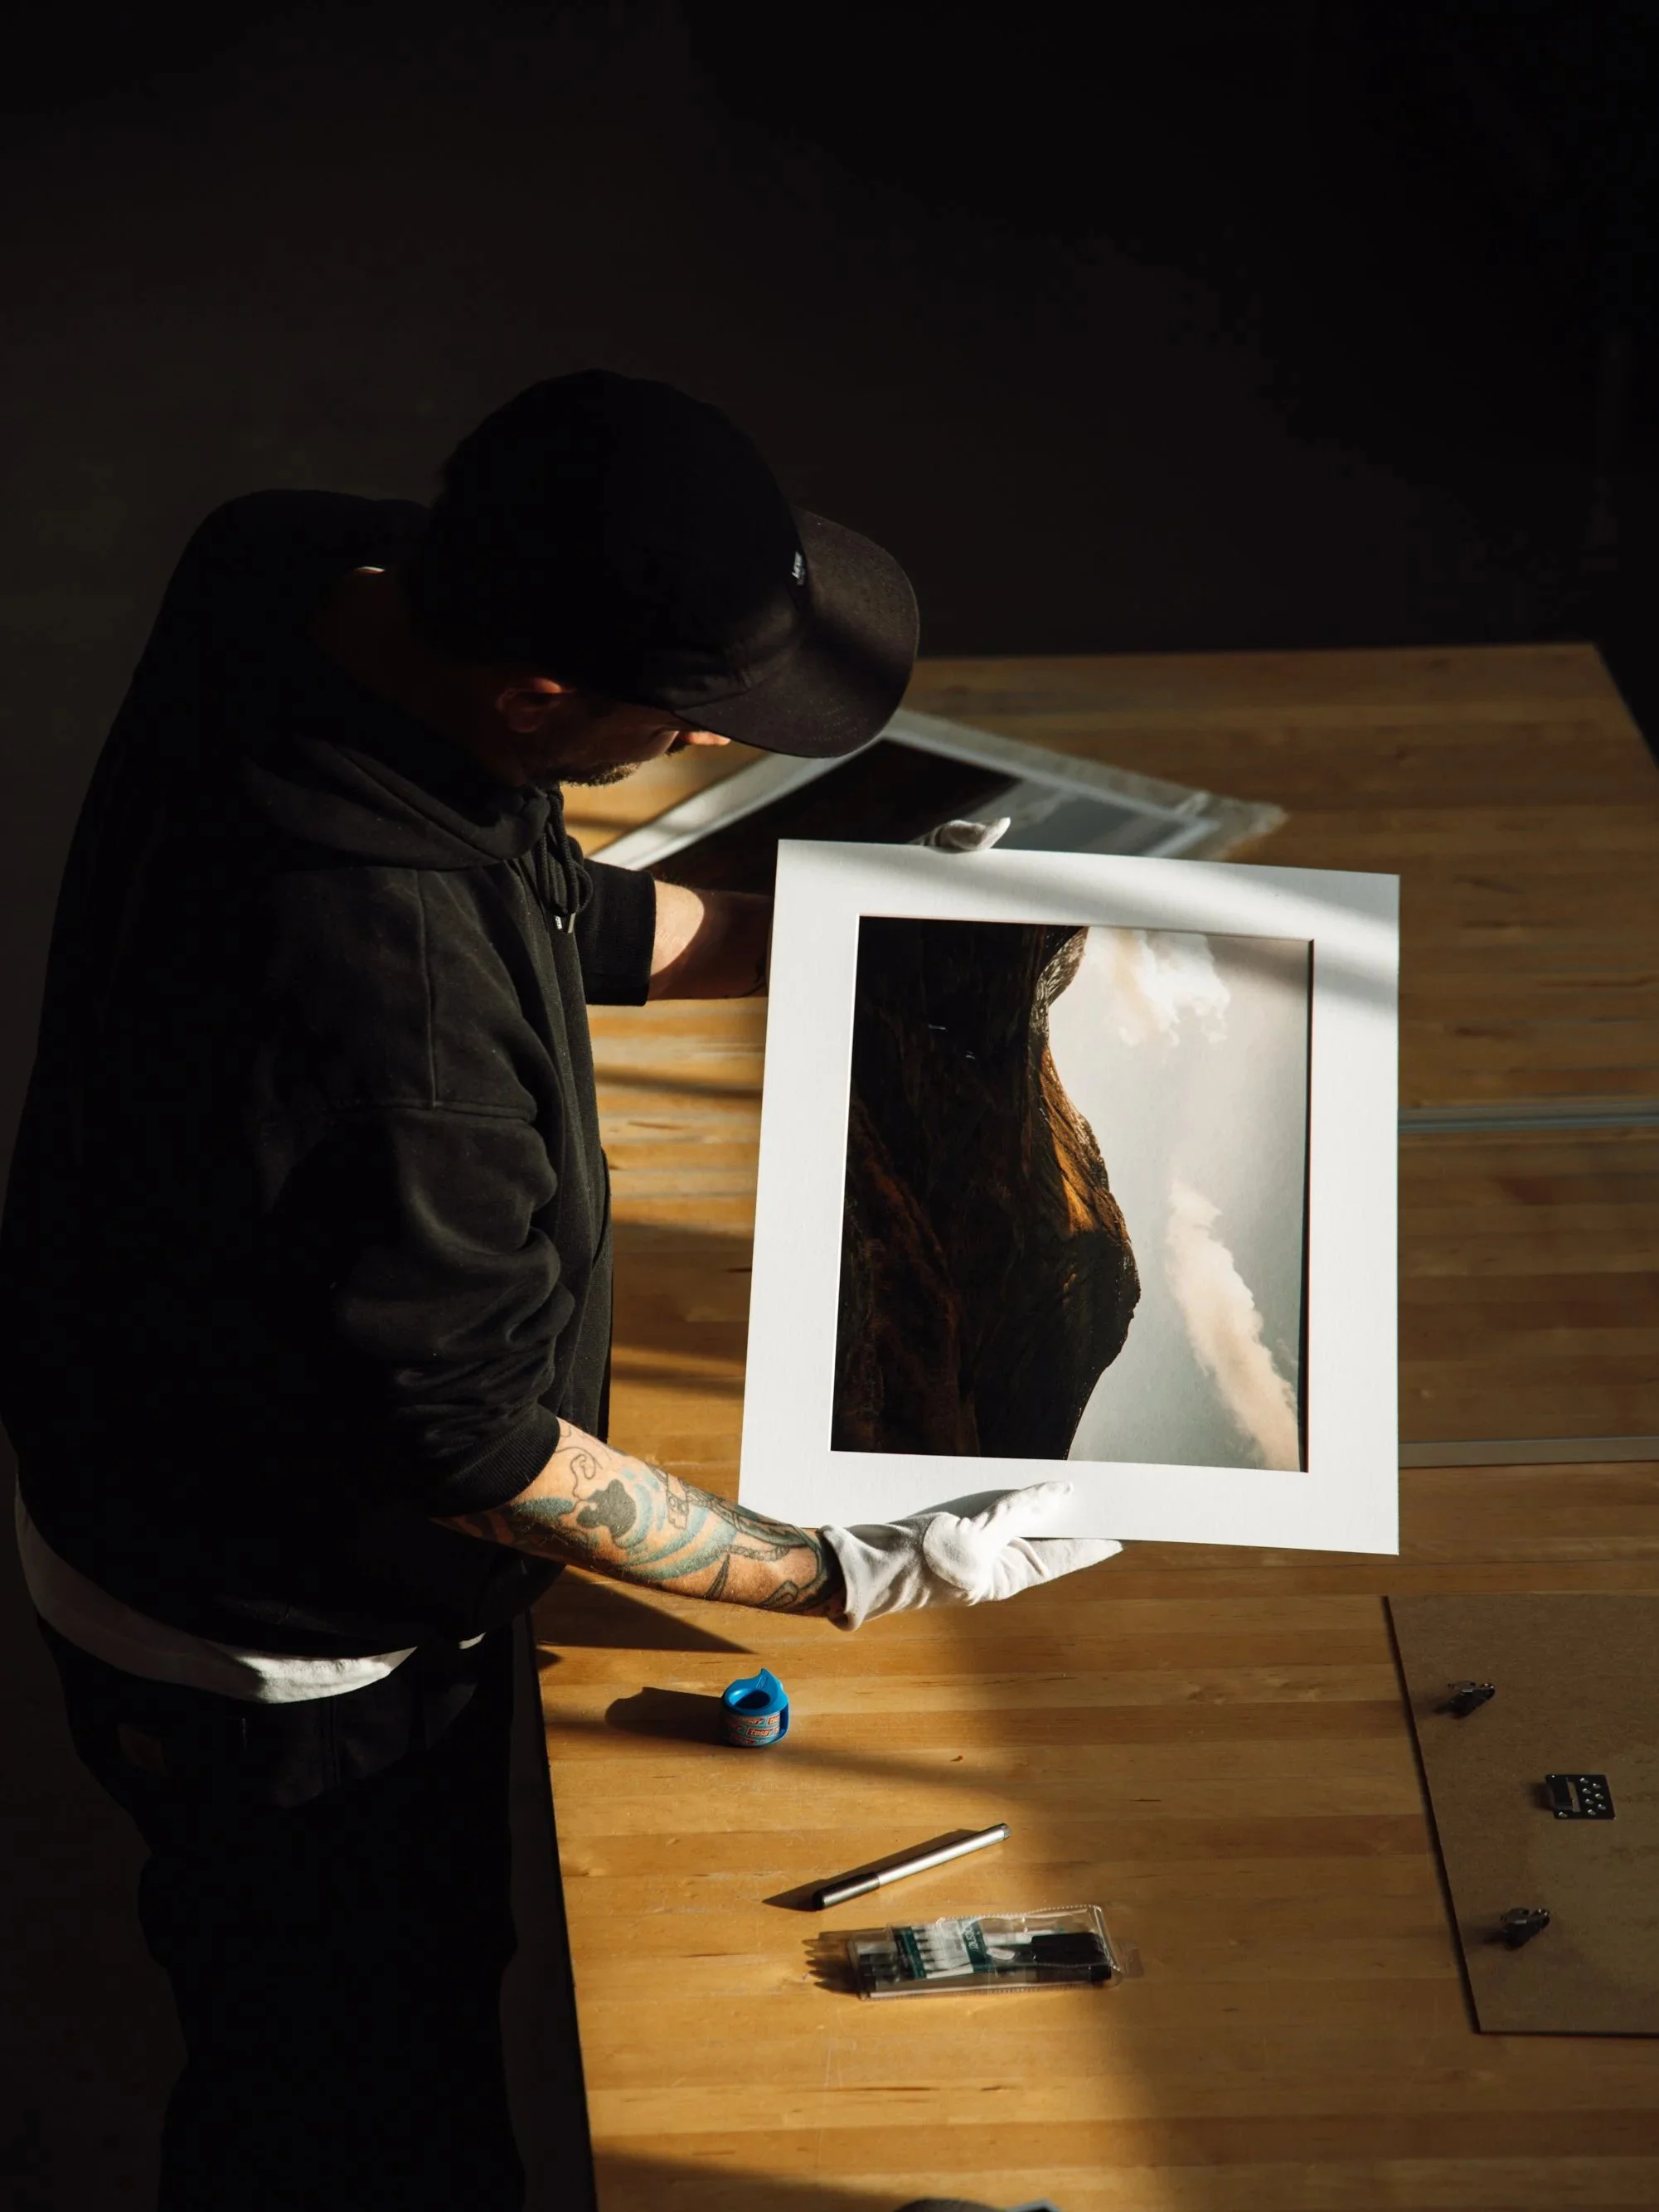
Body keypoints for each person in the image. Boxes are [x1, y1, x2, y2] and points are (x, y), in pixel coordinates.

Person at [0, 371, 1119, 2211]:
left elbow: (542, 889)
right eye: (677, 726)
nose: (693, 753)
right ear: (534, 696)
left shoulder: (290, 566)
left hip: (151, 1370)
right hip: (274, 1628)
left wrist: (829, 925)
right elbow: (468, 1436)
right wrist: (833, 1567)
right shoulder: (396, 1027)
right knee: (351, 2077)